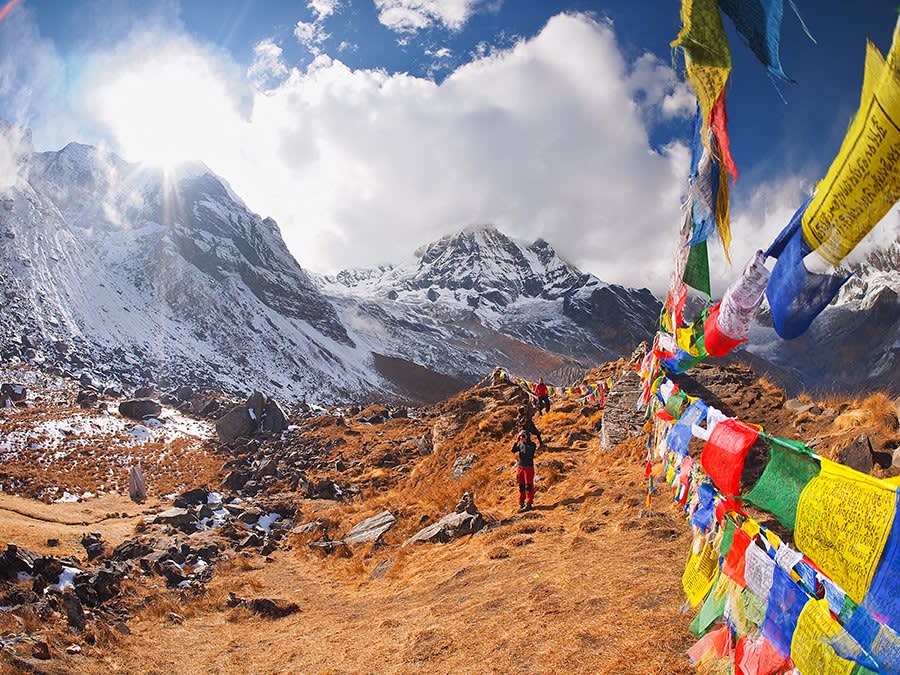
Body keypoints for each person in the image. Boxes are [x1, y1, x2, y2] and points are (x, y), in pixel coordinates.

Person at [512, 430, 537, 511]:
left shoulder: (532, 445)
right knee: (521, 486)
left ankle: (529, 503)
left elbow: (527, 452)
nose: (522, 438)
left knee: (528, 486)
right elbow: (513, 450)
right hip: (520, 468)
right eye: (521, 436)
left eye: (524, 436)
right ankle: (521, 503)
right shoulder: (520, 444)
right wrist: (517, 440)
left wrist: (525, 442)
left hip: (528, 468)